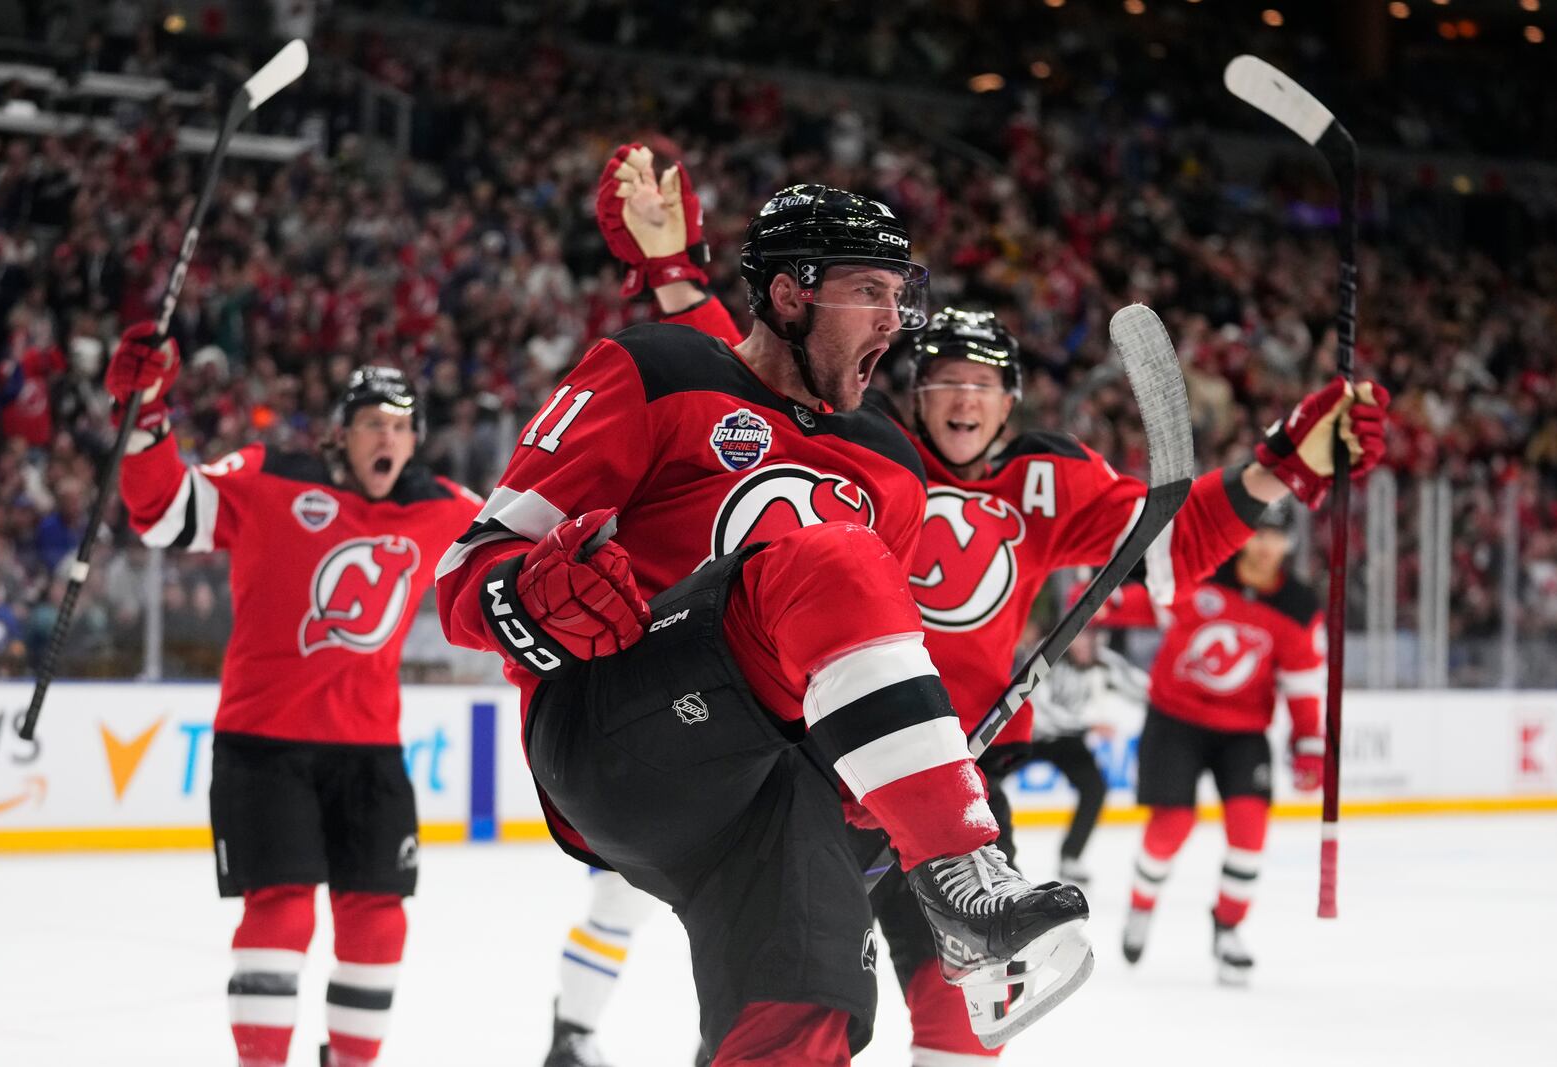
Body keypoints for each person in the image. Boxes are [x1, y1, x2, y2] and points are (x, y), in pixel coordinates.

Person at [560, 144, 1392, 1063]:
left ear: (1010, 400)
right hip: (809, 761)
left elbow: (1175, 539)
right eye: (944, 379)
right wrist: (675, 273)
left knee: (960, 1014)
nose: (961, 397)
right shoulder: (864, 451)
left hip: (957, 770)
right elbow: (746, 379)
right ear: (914, 391)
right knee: (787, 998)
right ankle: (575, 1027)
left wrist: (1284, 463)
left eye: (982, 384)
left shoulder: (1050, 480)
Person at [437, 181, 1095, 1067]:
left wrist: (881, 776)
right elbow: (463, 577)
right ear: (790, 294)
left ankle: (940, 869)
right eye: (870, 291)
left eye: (902, 295)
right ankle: (960, 871)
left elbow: (857, 656)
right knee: (832, 557)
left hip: (773, 788)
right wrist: (532, 595)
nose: (893, 320)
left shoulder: (893, 467)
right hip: (619, 729)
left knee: (801, 1025)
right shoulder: (656, 372)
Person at [105, 325, 481, 1067]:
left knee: (378, 923)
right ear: (341, 432)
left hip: (371, 751)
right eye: (373, 422)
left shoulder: (446, 509)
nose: (388, 437)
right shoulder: (268, 477)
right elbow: (163, 511)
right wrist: (146, 413)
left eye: (401, 426)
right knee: (278, 913)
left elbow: (527, 550)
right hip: (263, 744)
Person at [1118, 502, 1326, 986]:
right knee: (1171, 826)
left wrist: (1309, 742)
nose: (1266, 546)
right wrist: (1104, 604)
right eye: (1260, 534)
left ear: (1289, 544)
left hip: (1243, 731)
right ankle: (1141, 905)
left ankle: (1229, 929)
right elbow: (1151, 600)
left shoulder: (1297, 608)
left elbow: (1301, 683)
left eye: (1277, 537)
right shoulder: (1205, 570)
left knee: (1249, 831)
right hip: (1176, 718)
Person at [1024, 625, 1150, 887]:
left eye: (1092, 638)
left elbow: (1141, 688)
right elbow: (1039, 709)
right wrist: (1089, 725)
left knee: (1095, 788)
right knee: (988, 784)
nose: (1086, 645)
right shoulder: (1045, 656)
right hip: (1027, 736)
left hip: (1068, 741)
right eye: (1079, 639)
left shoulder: (1104, 660)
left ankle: (1071, 857)